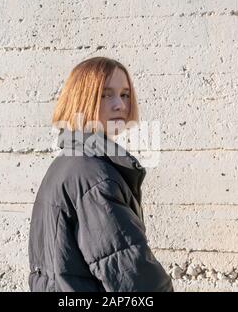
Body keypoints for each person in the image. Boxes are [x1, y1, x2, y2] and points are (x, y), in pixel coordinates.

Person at [27, 56, 173, 292]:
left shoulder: (67, 162)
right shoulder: (93, 175)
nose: (120, 105)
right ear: (82, 98)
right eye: (106, 94)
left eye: (125, 94)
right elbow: (130, 273)